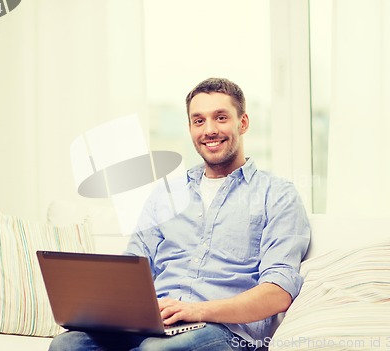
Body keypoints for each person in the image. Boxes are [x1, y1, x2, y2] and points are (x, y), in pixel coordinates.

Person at [49, 77, 310, 351]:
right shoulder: (165, 195)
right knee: (67, 345)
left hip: (225, 332)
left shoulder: (278, 194)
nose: (209, 130)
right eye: (199, 121)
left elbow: (278, 292)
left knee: (155, 350)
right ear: (189, 128)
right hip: (155, 325)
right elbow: (133, 266)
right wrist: (99, 308)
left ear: (242, 123)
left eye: (220, 117)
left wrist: (197, 311)